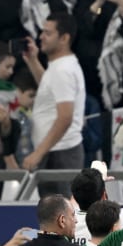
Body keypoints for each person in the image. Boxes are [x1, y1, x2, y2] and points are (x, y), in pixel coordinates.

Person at [23, 12, 88, 169]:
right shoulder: (60, 66)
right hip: (57, 151)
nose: (41, 37)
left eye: (48, 33)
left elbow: (65, 117)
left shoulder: (62, 70)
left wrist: (38, 153)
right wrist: (32, 61)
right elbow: (49, 89)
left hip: (60, 153)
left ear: (64, 38)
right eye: (42, 32)